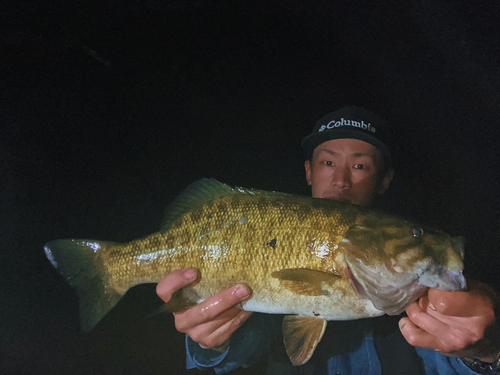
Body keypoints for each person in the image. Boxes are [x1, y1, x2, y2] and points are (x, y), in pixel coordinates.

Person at [156, 106, 500, 374]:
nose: (340, 181)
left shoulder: (412, 289)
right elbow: (245, 352)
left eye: (361, 166)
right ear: (309, 171)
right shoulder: (271, 222)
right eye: (328, 162)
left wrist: (487, 350)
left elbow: (453, 363)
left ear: (384, 180)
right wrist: (211, 344)